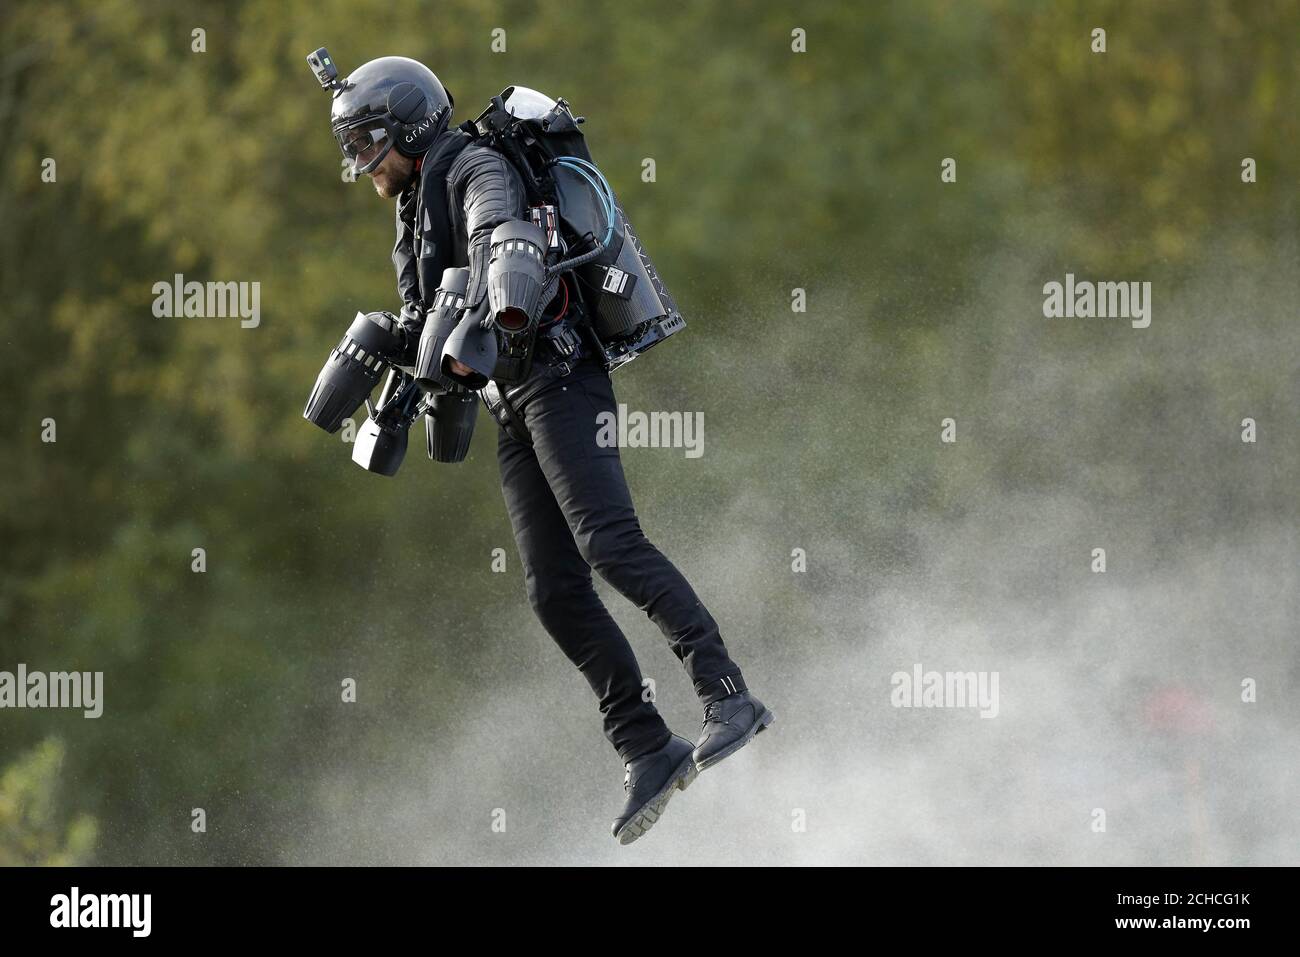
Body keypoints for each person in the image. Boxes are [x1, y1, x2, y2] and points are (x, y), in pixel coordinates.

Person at [317, 54, 773, 844]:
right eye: (352, 147)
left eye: (367, 144)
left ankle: (727, 693)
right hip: (514, 399)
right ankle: (645, 744)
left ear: (411, 128)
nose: (361, 164)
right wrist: (384, 354)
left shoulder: (474, 167)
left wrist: (493, 294)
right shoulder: (415, 208)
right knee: (553, 591)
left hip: (562, 377)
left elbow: (502, 236)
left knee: (610, 543)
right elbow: (431, 309)